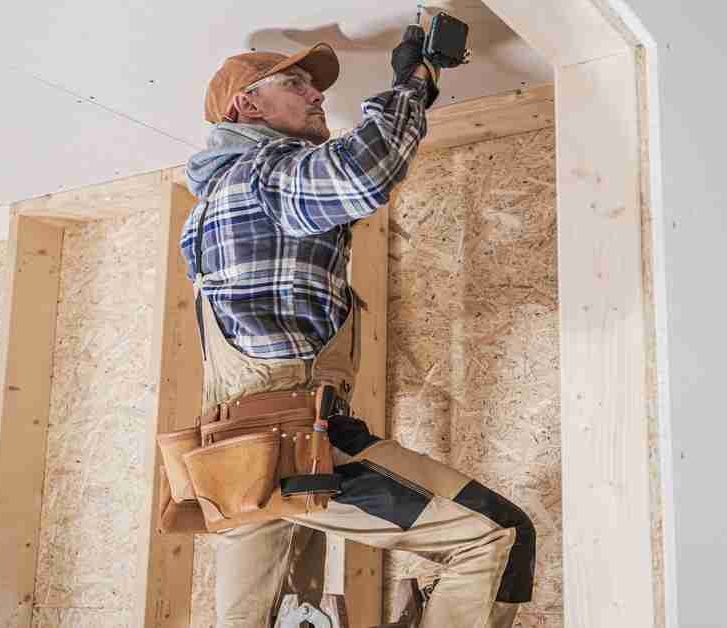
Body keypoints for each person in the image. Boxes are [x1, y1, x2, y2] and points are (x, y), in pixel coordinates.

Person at [181, 29, 535, 628]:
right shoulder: (262, 174)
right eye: (296, 84)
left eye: (314, 85)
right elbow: (361, 173)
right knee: (494, 537)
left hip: (237, 461)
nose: (316, 94)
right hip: (293, 440)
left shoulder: (212, 204)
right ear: (247, 107)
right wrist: (415, 81)